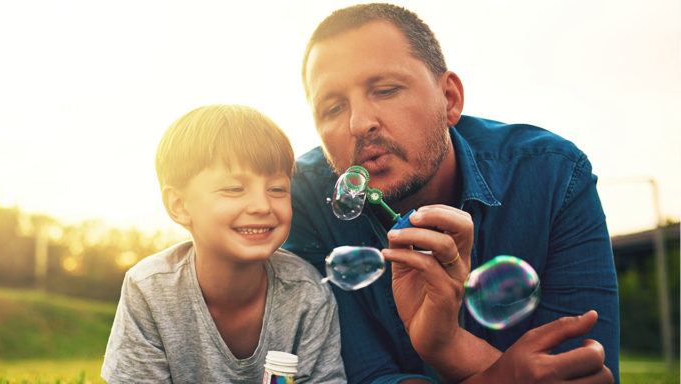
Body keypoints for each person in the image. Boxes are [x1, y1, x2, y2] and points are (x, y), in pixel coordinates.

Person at [282, 3, 619, 384]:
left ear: (450, 99)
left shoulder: (554, 176)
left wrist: (447, 345)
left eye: (386, 89)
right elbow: (358, 375)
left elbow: (581, 371)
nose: (359, 124)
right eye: (332, 107)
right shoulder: (297, 197)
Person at [101, 104, 346, 383]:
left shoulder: (307, 293)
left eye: (277, 189)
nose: (261, 205)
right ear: (179, 205)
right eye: (233, 189)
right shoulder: (149, 289)